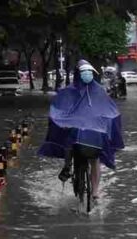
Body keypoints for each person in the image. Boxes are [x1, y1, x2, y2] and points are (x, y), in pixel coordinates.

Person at [38, 59, 124, 199]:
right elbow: (59, 109)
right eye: (84, 72)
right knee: (69, 141)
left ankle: (95, 191)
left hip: (94, 132)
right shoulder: (69, 91)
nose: (87, 75)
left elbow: (110, 110)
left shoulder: (99, 91)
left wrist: (105, 123)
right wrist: (62, 120)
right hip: (75, 130)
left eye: (89, 72)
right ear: (79, 74)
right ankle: (67, 166)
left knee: (95, 158)